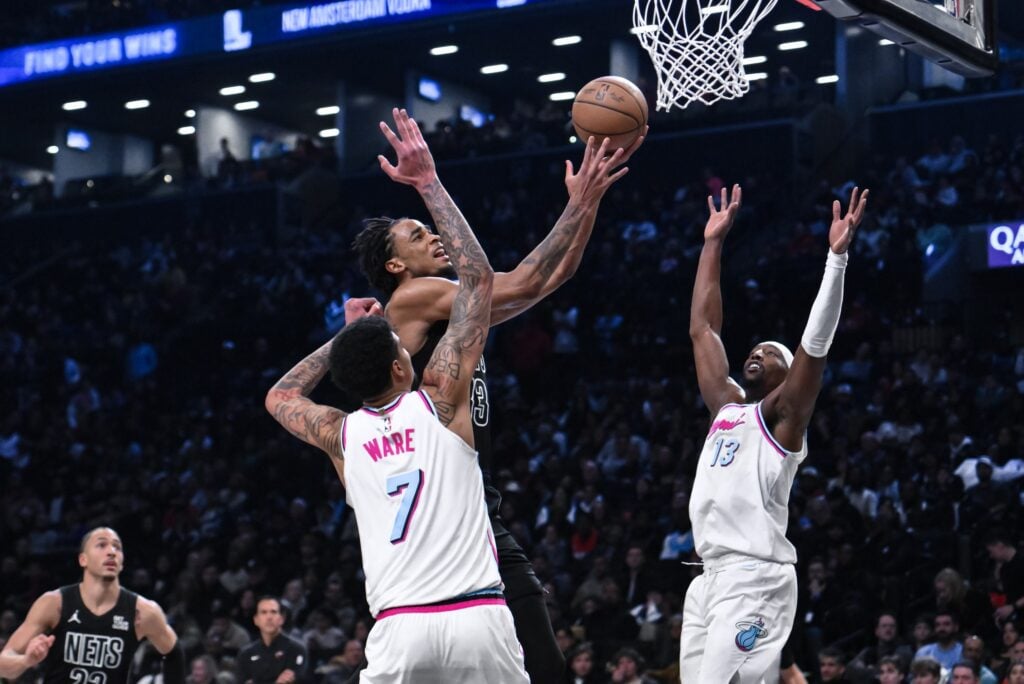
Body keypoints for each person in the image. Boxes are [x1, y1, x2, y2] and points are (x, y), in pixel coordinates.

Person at [352, 107, 642, 683]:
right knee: (542, 664)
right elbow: (518, 280)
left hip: (469, 505)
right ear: (394, 264)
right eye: (416, 235)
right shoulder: (414, 298)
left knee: (542, 663)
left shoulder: (446, 308)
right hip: (448, 517)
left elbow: (549, 280)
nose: (432, 235)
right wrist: (430, 182)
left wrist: (587, 203)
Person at [264, 111, 527, 682]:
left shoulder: (341, 435)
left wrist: (348, 339)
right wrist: (428, 183)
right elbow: (478, 282)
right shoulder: (438, 401)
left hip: (398, 630)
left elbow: (281, 395)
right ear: (400, 366)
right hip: (475, 614)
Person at [682, 182, 869, 683]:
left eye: (771, 352)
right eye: (755, 349)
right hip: (708, 578)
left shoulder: (784, 418)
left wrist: (835, 260)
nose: (758, 353)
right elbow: (703, 329)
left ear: (788, 376)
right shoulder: (727, 407)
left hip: (754, 576)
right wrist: (713, 244)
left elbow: (815, 343)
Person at [0, 526, 184, 683]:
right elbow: (3, 665)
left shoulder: (143, 611)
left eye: (117, 547)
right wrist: (26, 661)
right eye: (101, 545)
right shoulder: (54, 603)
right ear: (83, 560)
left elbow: (173, 653)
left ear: (122, 563)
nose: (111, 551)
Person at [236, 596, 307, 684]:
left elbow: (296, 677)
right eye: (263, 612)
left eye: (273, 612)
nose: (269, 617)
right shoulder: (246, 654)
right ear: (256, 620)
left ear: (282, 618)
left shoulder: (297, 650)